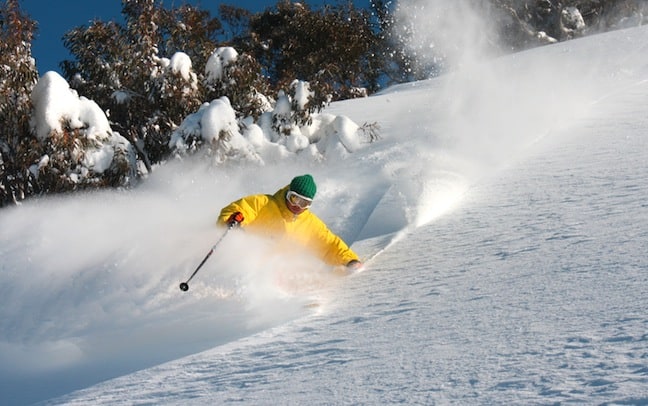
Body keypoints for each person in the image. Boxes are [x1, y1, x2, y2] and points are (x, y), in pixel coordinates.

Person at [217, 174, 363, 270]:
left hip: (275, 274)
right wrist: (233, 219)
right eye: (294, 198)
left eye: (304, 203)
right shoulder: (264, 203)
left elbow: (329, 246)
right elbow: (242, 209)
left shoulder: (310, 223)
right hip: (244, 264)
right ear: (288, 193)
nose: (297, 206)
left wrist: (350, 260)